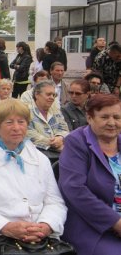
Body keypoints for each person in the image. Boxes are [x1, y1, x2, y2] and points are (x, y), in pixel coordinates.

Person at [0, 99, 67, 250]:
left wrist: (46, 225)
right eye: (9, 122)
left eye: (21, 122)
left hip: (41, 238)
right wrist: (6, 227)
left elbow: (55, 202)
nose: (16, 128)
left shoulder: (41, 159)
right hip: (2, 239)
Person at [59, 94, 121, 254]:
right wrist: (115, 221)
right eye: (104, 117)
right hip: (92, 227)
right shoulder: (76, 142)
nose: (112, 123)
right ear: (89, 117)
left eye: (117, 117)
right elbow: (74, 189)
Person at [27, 80, 69, 157]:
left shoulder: (55, 109)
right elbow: (29, 133)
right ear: (37, 94)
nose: (52, 98)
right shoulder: (26, 111)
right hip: (37, 153)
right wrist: (52, 143)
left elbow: (64, 128)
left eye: (54, 95)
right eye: (48, 94)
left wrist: (60, 138)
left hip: (60, 151)